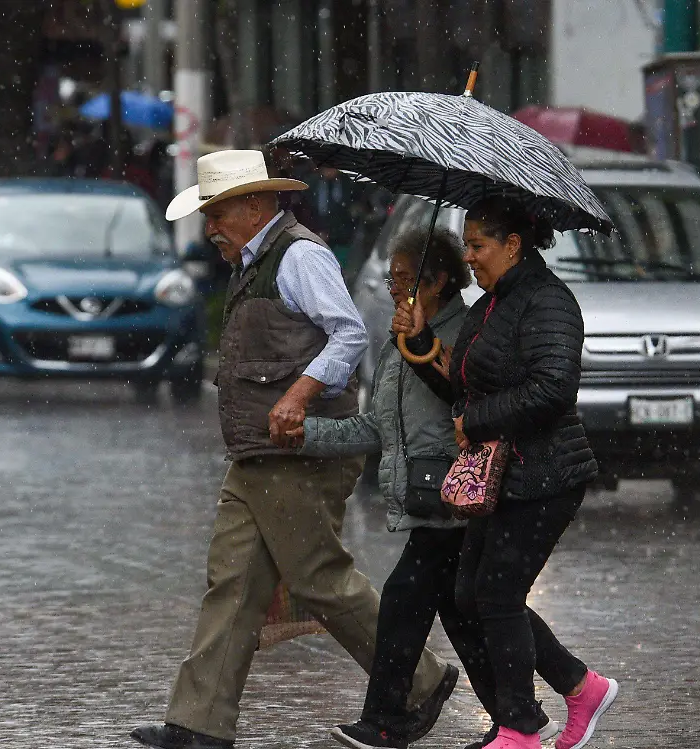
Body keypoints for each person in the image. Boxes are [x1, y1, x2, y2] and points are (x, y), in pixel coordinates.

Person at [130, 150, 455, 749]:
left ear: (255, 205)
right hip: (259, 453)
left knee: (319, 578)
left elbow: (350, 331)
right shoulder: (255, 260)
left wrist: (300, 394)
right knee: (233, 583)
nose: (211, 229)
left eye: (218, 213)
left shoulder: (300, 255)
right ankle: (197, 725)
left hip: (298, 453)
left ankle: (418, 683)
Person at [287, 227, 559, 749]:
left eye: (405, 279)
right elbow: (379, 427)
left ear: (436, 282)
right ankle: (520, 719)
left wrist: (419, 344)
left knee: (407, 598)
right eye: (391, 278)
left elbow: (463, 396)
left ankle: (390, 719)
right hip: (428, 499)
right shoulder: (400, 340)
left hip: (454, 499)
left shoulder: (466, 334)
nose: (392, 288)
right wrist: (307, 435)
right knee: (461, 612)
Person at [396, 197, 619, 749]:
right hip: (503, 475)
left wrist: (478, 417)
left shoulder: (549, 303)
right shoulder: (491, 304)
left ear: (513, 245)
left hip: (546, 476)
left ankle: (519, 729)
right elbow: (470, 389)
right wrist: (422, 346)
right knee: (472, 594)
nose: (470, 258)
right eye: (467, 246)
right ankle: (580, 686)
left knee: (496, 595)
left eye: (479, 246)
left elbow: (552, 389)